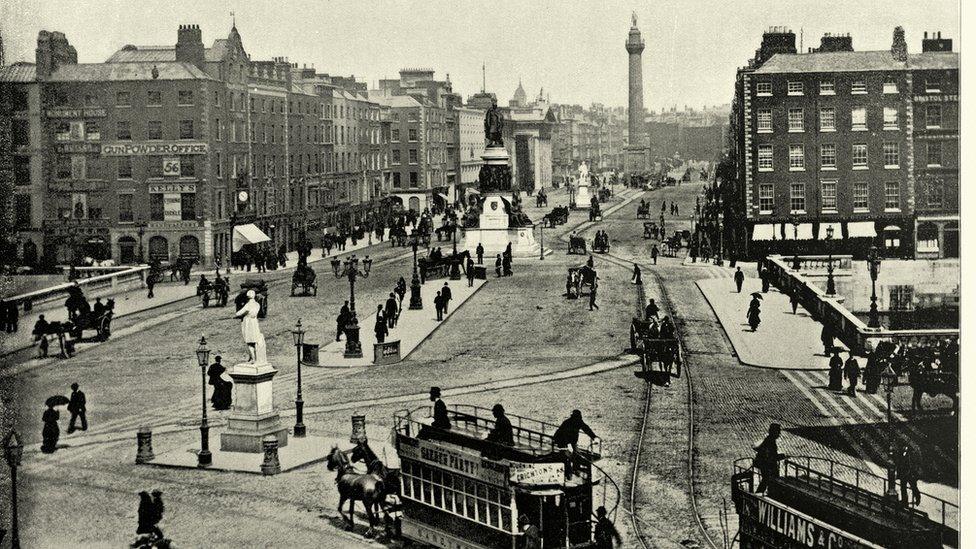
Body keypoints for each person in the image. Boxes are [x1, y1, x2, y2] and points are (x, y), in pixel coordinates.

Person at [553, 410, 599, 477]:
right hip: (561, 440)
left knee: (577, 453)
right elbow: (564, 434)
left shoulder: (579, 422)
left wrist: (594, 437)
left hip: (571, 441)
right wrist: (567, 446)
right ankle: (568, 473)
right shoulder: (567, 423)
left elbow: (586, 429)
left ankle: (575, 469)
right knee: (567, 455)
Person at [753, 423, 785, 493]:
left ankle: (767, 493)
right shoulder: (770, 442)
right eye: (778, 432)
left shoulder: (769, 440)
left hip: (765, 464)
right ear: (774, 432)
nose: (779, 434)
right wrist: (782, 456)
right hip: (766, 465)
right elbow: (770, 457)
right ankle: (763, 494)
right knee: (767, 480)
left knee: (766, 481)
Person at [234, 290, 262, 363]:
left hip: (248, 323)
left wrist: (237, 313)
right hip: (254, 322)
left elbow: (239, 313)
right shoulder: (257, 305)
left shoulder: (248, 305)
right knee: (255, 341)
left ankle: (253, 359)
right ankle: (255, 357)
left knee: (249, 341)